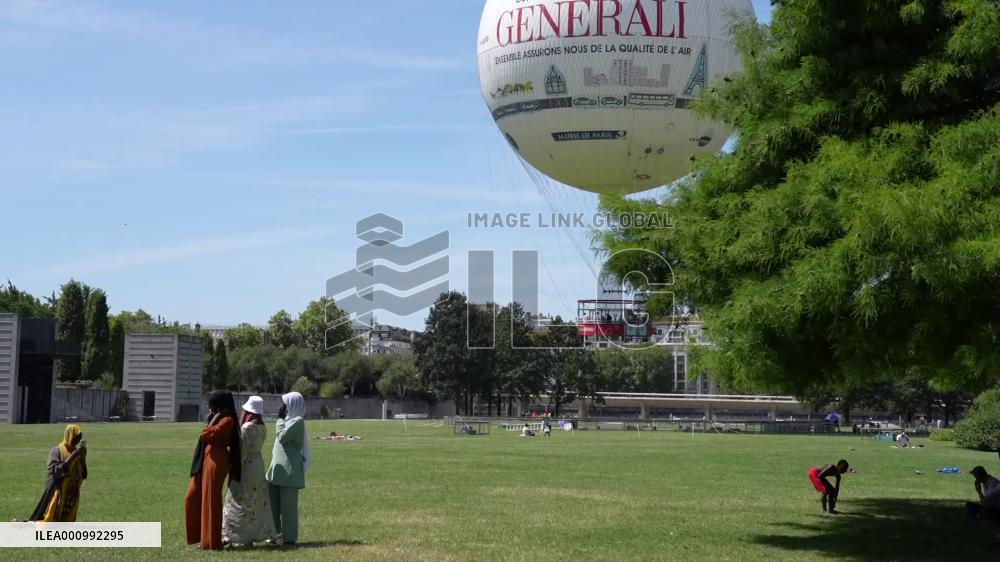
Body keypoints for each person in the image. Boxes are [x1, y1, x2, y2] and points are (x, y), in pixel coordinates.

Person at [185, 391, 241, 550]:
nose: (210, 410)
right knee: (192, 497)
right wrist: (212, 420)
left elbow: (207, 434)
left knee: (212, 500)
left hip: (217, 460)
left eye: (212, 407)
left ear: (220, 407)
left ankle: (212, 542)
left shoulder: (227, 420)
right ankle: (202, 538)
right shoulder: (218, 418)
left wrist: (211, 421)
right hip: (207, 459)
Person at [222, 396, 275, 547]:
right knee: (256, 500)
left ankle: (236, 535)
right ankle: (254, 532)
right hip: (258, 464)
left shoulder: (246, 428)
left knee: (236, 499)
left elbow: (242, 452)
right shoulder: (263, 427)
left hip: (246, 466)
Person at [267, 391, 311, 545]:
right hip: (277, 468)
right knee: (272, 505)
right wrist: (281, 419)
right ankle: (274, 535)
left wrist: (279, 420)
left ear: (292, 404)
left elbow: (283, 436)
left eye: (284, 403)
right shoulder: (288, 420)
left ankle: (289, 538)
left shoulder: (298, 421)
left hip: (290, 471)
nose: (282, 406)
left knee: (288, 509)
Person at [28, 424, 88, 522]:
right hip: (57, 492)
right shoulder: (56, 450)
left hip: (71, 494)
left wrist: (83, 458)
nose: (78, 441)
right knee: (50, 518)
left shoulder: (77, 452)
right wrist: (73, 456)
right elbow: (56, 470)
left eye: (79, 438)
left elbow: (84, 474)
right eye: (76, 437)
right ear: (70, 436)